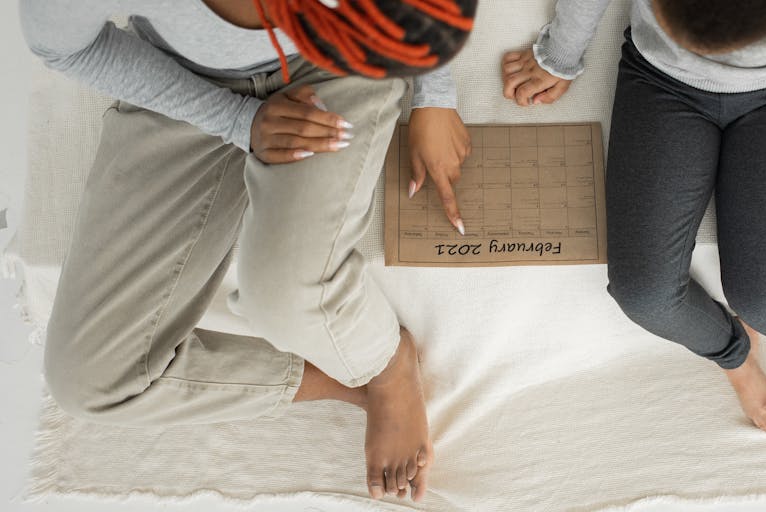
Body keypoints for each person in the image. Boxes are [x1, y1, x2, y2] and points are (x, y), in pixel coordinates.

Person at [20, 0, 477, 501]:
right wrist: (239, 121)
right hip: (185, 80)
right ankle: (352, 383)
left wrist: (434, 95)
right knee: (89, 379)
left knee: (286, 295)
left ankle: (386, 368)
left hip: (338, 63)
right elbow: (63, 46)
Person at [502, 0, 766, 474]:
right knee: (645, 295)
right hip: (661, 82)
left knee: (764, 297)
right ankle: (735, 355)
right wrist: (560, 55)